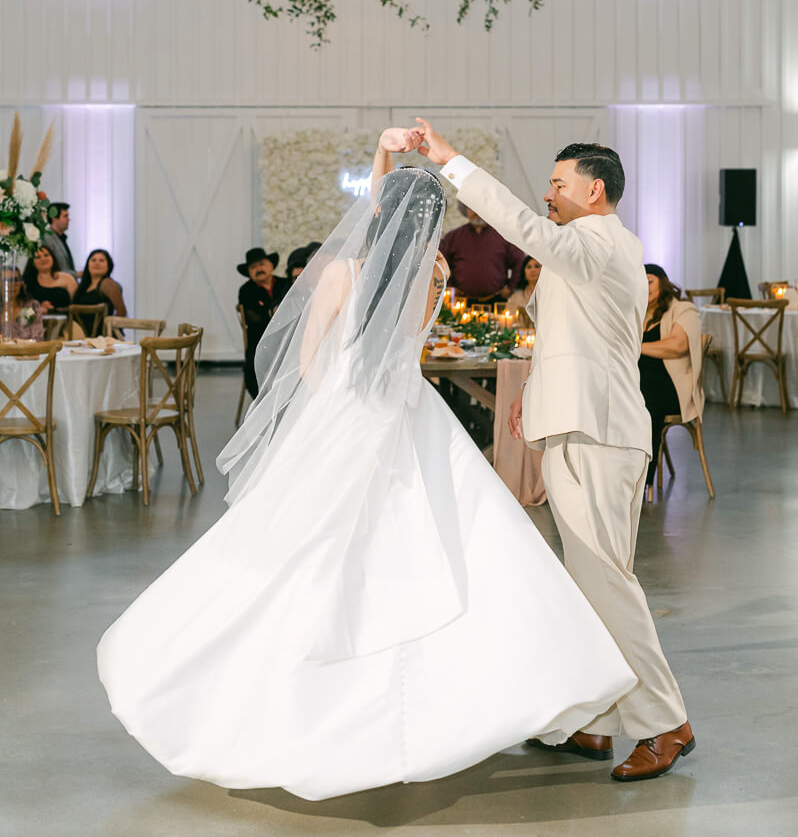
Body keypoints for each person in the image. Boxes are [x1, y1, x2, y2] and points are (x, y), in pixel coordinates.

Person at [96, 126, 635, 802]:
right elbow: (397, 241)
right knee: (452, 554)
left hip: (345, 419)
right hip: (408, 418)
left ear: (375, 214)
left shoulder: (341, 275)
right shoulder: (430, 278)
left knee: (309, 565)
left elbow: (307, 364)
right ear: (431, 227)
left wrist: (329, 419)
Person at [416, 119, 694, 784]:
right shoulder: (602, 248)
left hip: (594, 433)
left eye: (557, 184)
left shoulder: (595, 242)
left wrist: (452, 162)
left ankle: (665, 723)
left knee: (605, 581)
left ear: (594, 192)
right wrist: (535, 389)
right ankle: (590, 721)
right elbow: (582, 338)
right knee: (588, 585)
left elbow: (523, 227)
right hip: (591, 423)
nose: (547, 194)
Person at [639, 263, 704, 494]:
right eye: (639, 282)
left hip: (672, 388)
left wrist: (637, 347)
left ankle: (643, 481)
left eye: (649, 282)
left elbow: (677, 346)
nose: (644, 287)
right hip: (639, 385)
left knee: (644, 402)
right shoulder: (636, 312)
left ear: (663, 282)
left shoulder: (683, 309)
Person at [439, 203, 524, 304]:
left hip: (495, 302)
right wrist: (448, 286)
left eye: (480, 207)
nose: (476, 212)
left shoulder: (503, 236)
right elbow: (440, 262)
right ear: (467, 210)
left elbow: (519, 260)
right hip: (460, 301)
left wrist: (511, 287)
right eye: (472, 208)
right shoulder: (453, 237)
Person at [237, 248, 288, 398]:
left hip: (287, 337)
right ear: (249, 273)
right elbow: (254, 318)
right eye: (253, 267)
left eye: (262, 264)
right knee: (252, 365)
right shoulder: (246, 290)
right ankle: (261, 403)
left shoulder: (284, 284)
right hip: (260, 340)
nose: (259, 269)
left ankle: (290, 402)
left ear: (271, 266)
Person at [22, 246, 77, 312]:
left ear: (52, 257)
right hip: (37, 321)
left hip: (66, 319)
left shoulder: (68, 278)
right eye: (38, 257)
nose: (43, 259)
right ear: (32, 262)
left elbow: (76, 306)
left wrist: (54, 310)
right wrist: (39, 308)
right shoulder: (27, 282)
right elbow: (22, 309)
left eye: (46, 255)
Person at [74, 249, 127, 317]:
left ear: (109, 265)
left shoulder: (107, 283)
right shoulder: (84, 285)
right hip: (76, 326)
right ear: (88, 265)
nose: (97, 263)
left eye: (101, 260)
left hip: (98, 327)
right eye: (93, 260)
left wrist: (113, 327)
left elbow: (121, 311)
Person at [0, 268, 45, 340]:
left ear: (21, 283)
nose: (11, 284)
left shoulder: (30, 306)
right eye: (6, 280)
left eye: (15, 280)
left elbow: (37, 338)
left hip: (26, 350)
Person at [43, 202, 76, 275]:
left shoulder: (61, 237)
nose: (68, 219)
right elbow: (51, 269)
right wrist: (76, 274)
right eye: (65, 216)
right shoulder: (46, 238)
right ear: (54, 218)